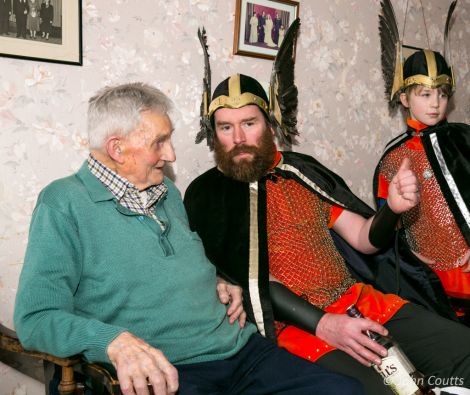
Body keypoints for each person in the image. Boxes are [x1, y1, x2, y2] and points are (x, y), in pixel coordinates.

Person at [14, 82, 365, 395]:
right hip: (170, 371)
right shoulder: (63, 204)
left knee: (344, 390)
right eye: (159, 143)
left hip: (240, 351)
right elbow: (36, 319)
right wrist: (113, 342)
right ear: (117, 149)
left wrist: (220, 280)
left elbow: (173, 262)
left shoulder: (164, 189)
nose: (171, 156)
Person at [184, 73, 470, 394]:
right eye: (226, 127)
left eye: (249, 123)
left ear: (269, 123)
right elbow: (251, 279)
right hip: (295, 328)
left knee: (464, 350)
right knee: (381, 390)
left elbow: (364, 238)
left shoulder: (301, 172)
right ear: (214, 133)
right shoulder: (207, 195)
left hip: (359, 303)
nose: (238, 136)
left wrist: (392, 208)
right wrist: (326, 324)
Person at [373, 50, 470, 310]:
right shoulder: (393, 159)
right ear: (405, 98)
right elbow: (386, 225)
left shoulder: (465, 141)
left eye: (442, 93)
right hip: (430, 282)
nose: (436, 103)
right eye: (425, 94)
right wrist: (411, 256)